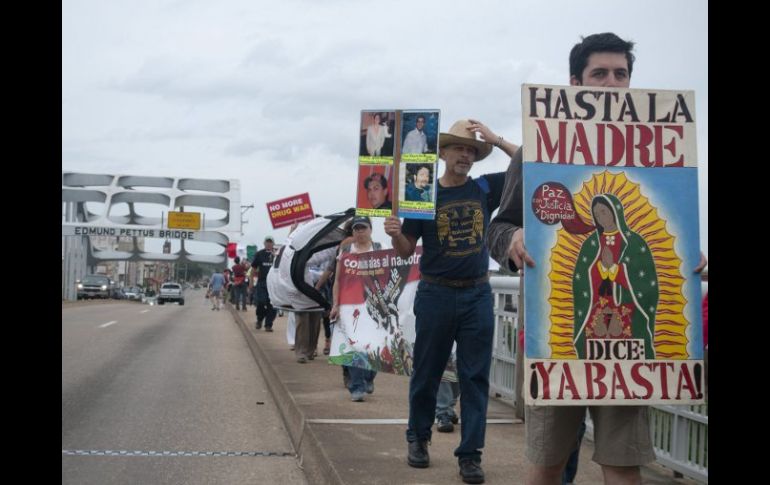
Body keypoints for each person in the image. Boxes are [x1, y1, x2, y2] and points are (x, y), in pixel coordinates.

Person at [486, 32, 711, 485]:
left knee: (623, 463)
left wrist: (689, 254)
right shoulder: (536, 150)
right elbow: (496, 227)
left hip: (629, 350)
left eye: (621, 73)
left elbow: (658, 249)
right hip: (559, 345)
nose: (612, 83)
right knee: (546, 462)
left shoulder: (660, 151)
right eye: (600, 73)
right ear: (575, 83)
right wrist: (512, 239)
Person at [384, 119, 508, 484]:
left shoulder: (486, 187)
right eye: (459, 148)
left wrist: (496, 139)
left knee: (475, 377)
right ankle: (418, 439)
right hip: (436, 291)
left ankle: (470, 454)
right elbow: (407, 250)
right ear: (442, 153)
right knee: (426, 372)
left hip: (477, 292)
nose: (466, 155)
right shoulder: (422, 193)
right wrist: (394, 235)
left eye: (471, 150)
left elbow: (530, 166)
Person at [573, 194, 658, 358]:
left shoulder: (634, 242)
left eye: (604, 212)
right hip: (597, 309)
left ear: (615, 211)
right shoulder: (592, 243)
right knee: (594, 356)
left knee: (628, 354)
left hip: (627, 310)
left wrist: (615, 269)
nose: (601, 218)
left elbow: (645, 280)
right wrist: (599, 269)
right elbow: (581, 277)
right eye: (597, 215)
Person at [330, 216, 381, 402]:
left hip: (374, 306)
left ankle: (368, 377)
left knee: (373, 346)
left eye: (363, 228)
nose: (360, 232)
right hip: (350, 307)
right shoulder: (345, 251)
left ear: (370, 230)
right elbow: (337, 280)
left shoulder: (380, 249)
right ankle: (356, 386)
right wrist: (336, 304)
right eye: (356, 228)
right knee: (354, 346)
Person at [252, 236, 278, 332]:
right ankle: (259, 319)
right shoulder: (259, 254)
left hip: (274, 284)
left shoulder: (277, 254)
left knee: (272, 305)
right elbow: (253, 268)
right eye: (267, 242)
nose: (269, 244)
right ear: (264, 243)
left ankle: (268, 325)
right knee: (261, 302)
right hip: (262, 283)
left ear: (273, 244)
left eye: (270, 242)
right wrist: (251, 282)